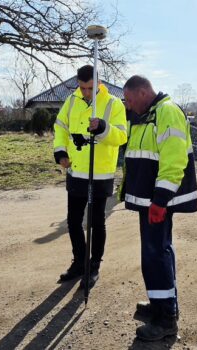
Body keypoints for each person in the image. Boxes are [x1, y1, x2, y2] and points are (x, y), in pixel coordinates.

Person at [119, 75, 197, 341]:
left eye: (130, 100)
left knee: (156, 256)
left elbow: (174, 159)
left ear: (143, 92)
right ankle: (160, 305)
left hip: (157, 202)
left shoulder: (166, 112)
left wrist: (161, 199)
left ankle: (166, 320)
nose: (129, 106)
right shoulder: (146, 115)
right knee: (154, 254)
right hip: (149, 201)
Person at [53, 65, 127, 289]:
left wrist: (103, 128)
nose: (86, 92)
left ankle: (94, 265)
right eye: (82, 87)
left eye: (90, 88)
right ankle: (79, 262)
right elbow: (60, 128)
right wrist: (60, 151)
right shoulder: (72, 101)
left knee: (96, 222)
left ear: (99, 83)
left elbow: (122, 136)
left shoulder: (114, 103)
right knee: (74, 221)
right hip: (76, 172)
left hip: (100, 173)